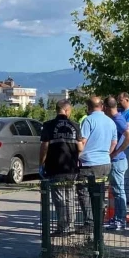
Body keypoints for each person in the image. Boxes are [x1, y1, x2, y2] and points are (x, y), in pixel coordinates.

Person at [39, 100, 83, 235]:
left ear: (57, 110)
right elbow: (80, 148)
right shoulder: (75, 125)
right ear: (67, 110)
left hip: (55, 167)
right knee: (70, 197)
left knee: (59, 199)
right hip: (71, 167)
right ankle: (71, 225)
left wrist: (41, 163)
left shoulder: (48, 125)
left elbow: (44, 147)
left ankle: (63, 227)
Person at [77, 96, 118, 227]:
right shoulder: (110, 122)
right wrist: (106, 153)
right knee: (99, 191)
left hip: (89, 162)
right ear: (102, 106)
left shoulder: (88, 120)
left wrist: (76, 156)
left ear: (88, 107)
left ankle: (89, 222)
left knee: (84, 192)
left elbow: (83, 142)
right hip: (105, 162)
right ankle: (99, 220)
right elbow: (114, 142)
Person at [104, 96, 129, 231]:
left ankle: (120, 220)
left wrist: (116, 152)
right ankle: (117, 218)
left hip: (118, 161)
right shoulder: (117, 118)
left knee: (118, 191)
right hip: (119, 160)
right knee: (117, 191)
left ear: (105, 107)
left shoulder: (117, 119)